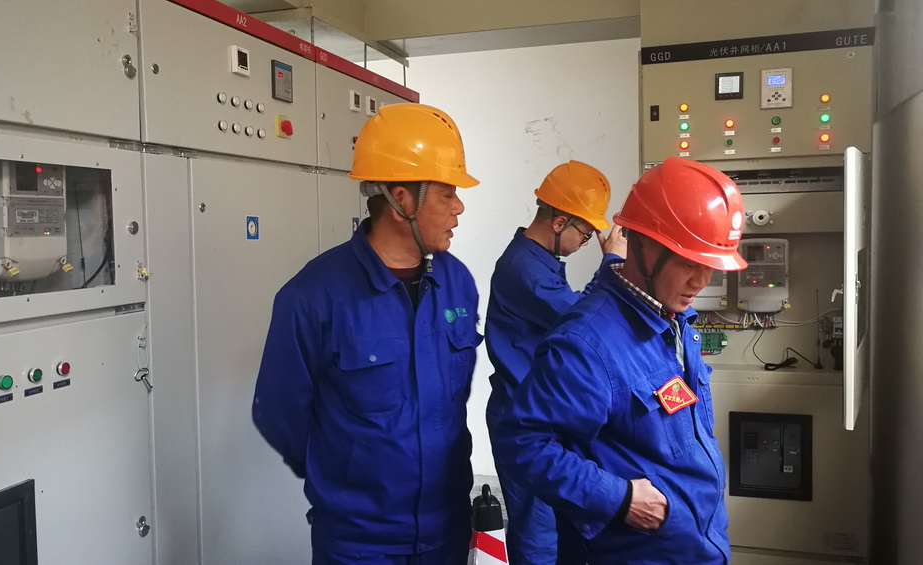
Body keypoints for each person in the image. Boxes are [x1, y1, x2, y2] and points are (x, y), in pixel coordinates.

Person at [252, 103, 483, 565]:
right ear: (402, 200)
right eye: (447, 193)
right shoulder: (314, 296)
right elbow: (278, 413)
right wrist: (343, 482)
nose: (459, 207)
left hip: (446, 529)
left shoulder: (457, 282)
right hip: (359, 543)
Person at [495, 156, 748, 564]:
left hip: (694, 547)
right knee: (537, 536)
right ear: (643, 245)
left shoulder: (675, 319)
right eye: (688, 262)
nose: (701, 282)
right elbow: (523, 445)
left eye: (709, 267)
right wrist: (619, 498)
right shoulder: (586, 341)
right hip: (634, 552)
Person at [484, 160, 626, 564]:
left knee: (564, 526)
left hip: (544, 413)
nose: (585, 241)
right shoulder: (525, 269)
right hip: (523, 419)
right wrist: (612, 265)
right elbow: (584, 321)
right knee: (538, 531)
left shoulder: (540, 262)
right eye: (585, 232)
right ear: (560, 221)